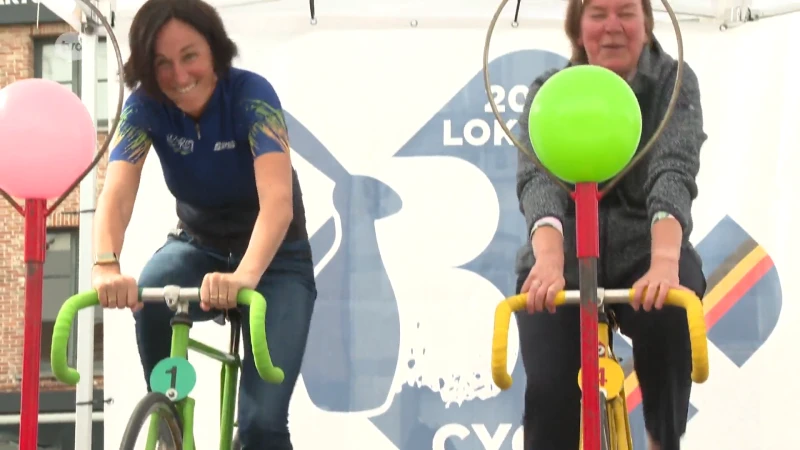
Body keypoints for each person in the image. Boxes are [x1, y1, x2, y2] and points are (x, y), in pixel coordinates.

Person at [90, 0, 316, 448]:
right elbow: (116, 192)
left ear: (215, 51)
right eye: (162, 64)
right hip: (197, 244)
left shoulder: (253, 96)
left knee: (261, 425)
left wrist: (244, 275)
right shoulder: (143, 109)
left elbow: (277, 203)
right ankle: (168, 417)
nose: (178, 75)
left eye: (189, 56)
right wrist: (105, 265)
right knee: (155, 288)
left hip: (276, 260)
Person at [514, 0, 707, 449]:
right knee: (548, 391)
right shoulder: (550, 90)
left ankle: (663, 440)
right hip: (562, 254)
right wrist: (547, 260)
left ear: (647, 22)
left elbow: (672, 172)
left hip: (646, 249)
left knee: (670, 320)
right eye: (598, 14)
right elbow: (538, 182)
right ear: (578, 27)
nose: (613, 27)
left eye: (626, 12)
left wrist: (664, 262)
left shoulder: (672, 82)